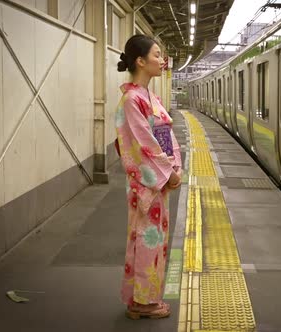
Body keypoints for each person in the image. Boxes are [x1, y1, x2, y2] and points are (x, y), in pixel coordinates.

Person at [115, 34, 182, 320]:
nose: (162, 59)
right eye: (157, 54)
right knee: (147, 239)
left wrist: (174, 168)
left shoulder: (147, 97)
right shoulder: (132, 100)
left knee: (151, 239)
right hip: (148, 183)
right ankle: (142, 303)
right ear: (141, 61)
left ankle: (142, 297)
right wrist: (168, 172)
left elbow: (165, 136)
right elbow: (142, 144)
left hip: (157, 181)